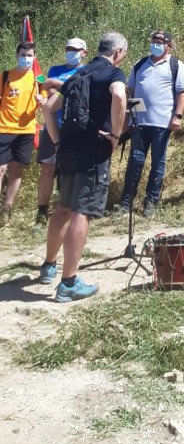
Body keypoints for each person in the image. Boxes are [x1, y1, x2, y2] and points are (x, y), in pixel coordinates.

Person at [38, 31, 128, 302]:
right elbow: (120, 98)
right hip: (92, 150)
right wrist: (115, 135)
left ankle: (48, 266)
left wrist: (56, 139)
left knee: (62, 208)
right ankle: (68, 282)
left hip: (67, 149)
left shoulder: (76, 74)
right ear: (118, 52)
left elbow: (48, 108)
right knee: (81, 212)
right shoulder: (113, 74)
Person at [120, 30, 184, 217]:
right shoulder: (140, 64)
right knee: (135, 162)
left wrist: (177, 117)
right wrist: (127, 119)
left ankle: (150, 203)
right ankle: (125, 204)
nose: (155, 44)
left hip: (162, 123)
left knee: (158, 163)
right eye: (153, 41)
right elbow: (130, 92)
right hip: (139, 123)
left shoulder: (175, 65)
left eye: (160, 41)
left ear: (169, 45)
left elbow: (182, 92)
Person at [36, 38, 88, 225]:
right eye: (68, 48)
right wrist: (60, 86)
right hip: (52, 126)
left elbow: (81, 92)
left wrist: (56, 85)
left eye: (75, 49)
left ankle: (69, 208)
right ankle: (41, 211)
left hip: (75, 128)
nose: (71, 52)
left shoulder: (86, 71)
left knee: (73, 169)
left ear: (84, 53)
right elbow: (46, 87)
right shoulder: (55, 70)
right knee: (47, 168)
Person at [0, 41, 45, 223]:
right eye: (23, 55)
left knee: (17, 170)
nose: (26, 58)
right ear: (17, 55)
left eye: (29, 55)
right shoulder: (5, 76)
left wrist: (43, 99)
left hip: (26, 131)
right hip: (4, 128)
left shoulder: (38, 79)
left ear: (34, 58)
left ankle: (7, 208)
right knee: (1, 168)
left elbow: (46, 99)